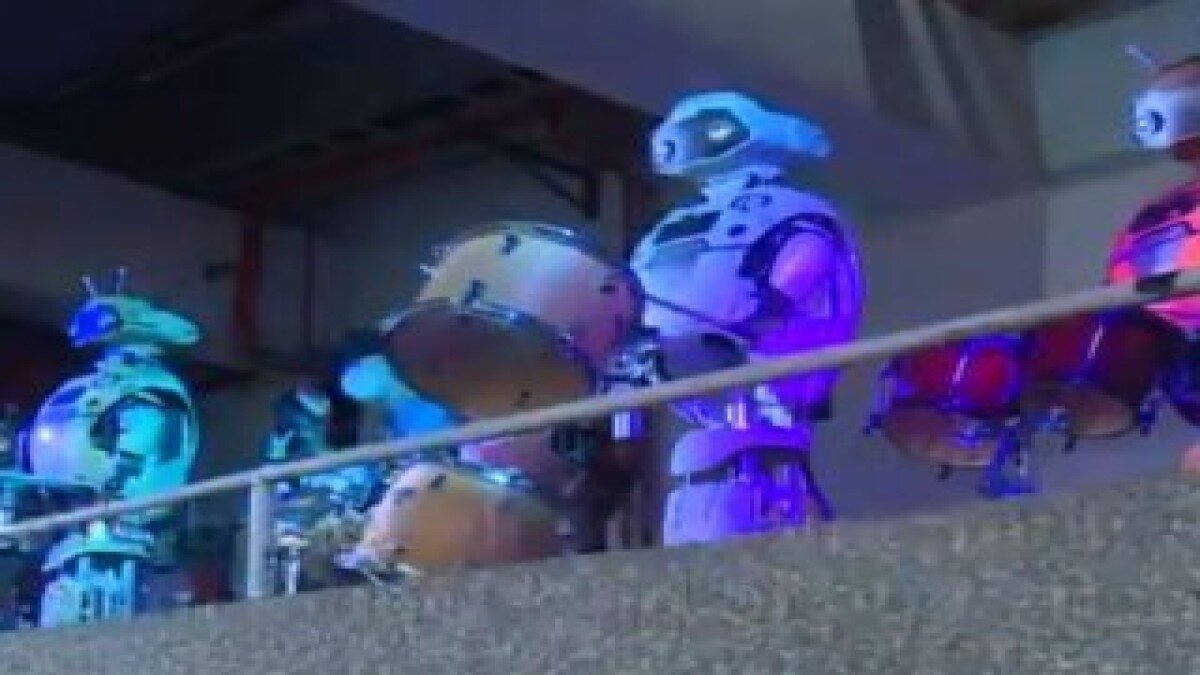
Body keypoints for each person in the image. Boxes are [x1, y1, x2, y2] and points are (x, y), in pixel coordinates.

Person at [615, 91, 865, 545]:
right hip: (687, 366)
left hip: (763, 362)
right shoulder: (674, 226)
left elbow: (808, 253)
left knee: (756, 475)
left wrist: (771, 304)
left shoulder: (789, 208)